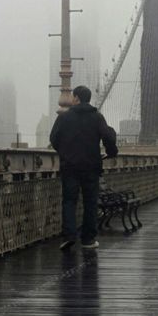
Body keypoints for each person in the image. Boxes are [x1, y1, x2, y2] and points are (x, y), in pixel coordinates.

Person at [50, 85, 119, 251]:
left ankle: (69, 236)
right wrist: (111, 152)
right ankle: (88, 239)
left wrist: (65, 153)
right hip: (91, 165)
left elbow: (54, 138)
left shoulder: (64, 118)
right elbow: (108, 138)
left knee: (69, 200)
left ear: (76, 98)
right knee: (90, 202)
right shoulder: (97, 117)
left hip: (70, 166)